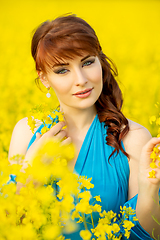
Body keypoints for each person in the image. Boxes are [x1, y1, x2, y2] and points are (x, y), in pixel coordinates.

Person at [9, 14, 160, 239]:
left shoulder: (133, 138)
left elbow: (149, 234)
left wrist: (150, 190)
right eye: (62, 70)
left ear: (100, 61)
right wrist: (32, 170)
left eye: (87, 62)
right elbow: (11, 225)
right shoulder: (26, 133)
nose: (81, 79)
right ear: (44, 79)